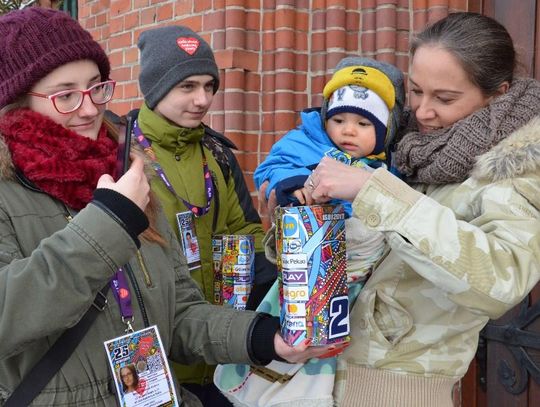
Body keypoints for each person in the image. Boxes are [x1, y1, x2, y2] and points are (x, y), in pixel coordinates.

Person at [0, 8, 338, 406]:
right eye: (66, 95)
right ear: (18, 103)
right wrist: (109, 223)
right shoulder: (12, 190)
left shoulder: (126, 169)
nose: (90, 108)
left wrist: (265, 337)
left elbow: (178, 315)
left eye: (96, 87)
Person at [299, 12, 540, 407]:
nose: (423, 112)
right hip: (317, 381)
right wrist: (302, 217)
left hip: (400, 394)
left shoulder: (511, 169)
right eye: (415, 91)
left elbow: (502, 278)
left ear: (497, 93)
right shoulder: (402, 145)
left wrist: (375, 193)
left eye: (444, 98)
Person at [134, 25, 278, 405]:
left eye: (209, 86)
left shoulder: (217, 155)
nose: (202, 99)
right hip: (151, 362)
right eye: (187, 86)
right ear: (155, 87)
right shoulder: (119, 155)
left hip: (219, 354)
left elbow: (246, 232)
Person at [254, 59, 405, 283]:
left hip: (371, 273)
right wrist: (295, 186)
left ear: (387, 131)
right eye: (338, 120)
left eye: (363, 124)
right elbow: (274, 167)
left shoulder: (393, 163)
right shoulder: (308, 141)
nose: (348, 130)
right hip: (314, 266)